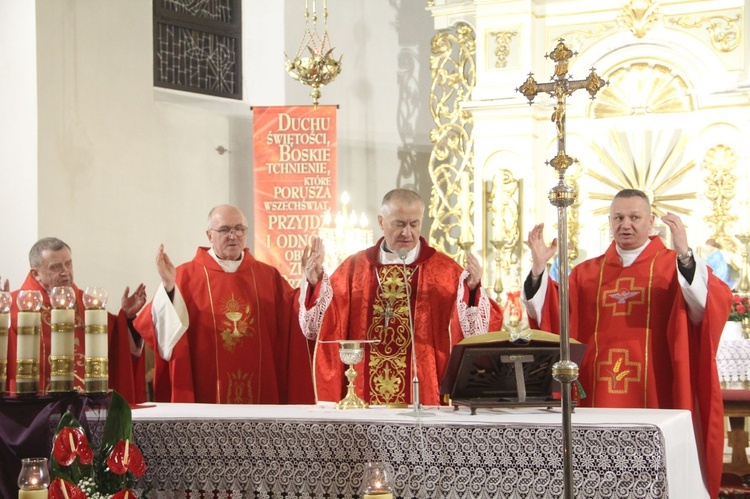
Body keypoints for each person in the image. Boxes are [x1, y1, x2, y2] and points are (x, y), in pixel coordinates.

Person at [522, 188, 732, 498]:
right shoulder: (586, 274)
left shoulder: (672, 266)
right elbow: (553, 319)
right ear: (609, 222)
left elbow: (707, 306)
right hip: (597, 391)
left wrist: (686, 255)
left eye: (635, 217)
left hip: (658, 389)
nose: (626, 225)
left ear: (651, 223)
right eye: (618, 217)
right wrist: (539, 270)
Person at [300, 188, 504, 406]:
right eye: (399, 224)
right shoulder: (353, 268)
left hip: (423, 393)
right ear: (381, 221)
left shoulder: (444, 271)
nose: (407, 232)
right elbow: (318, 328)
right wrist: (315, 284)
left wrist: (471, 290)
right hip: (362, 395)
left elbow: (477, 334)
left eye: (414, 224)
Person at [134, 204, 315, 404]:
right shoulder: (184, 276)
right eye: (225, 230)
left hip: (262, 398)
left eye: (239, 229)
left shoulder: (267, 276)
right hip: (206, 395)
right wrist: (169, 288)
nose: (233, 235)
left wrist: (309, 282)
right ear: (209, 235)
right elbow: (159, 333)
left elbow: (296, 317)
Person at [6, 237, 147, 403]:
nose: (65, 271)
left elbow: (117, 343)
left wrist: (128, 318)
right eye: (56, 267)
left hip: (85, 408)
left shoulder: (86, 303)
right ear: (35, 274)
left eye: (68, 263)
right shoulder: (16, 307)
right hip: (34, 407)